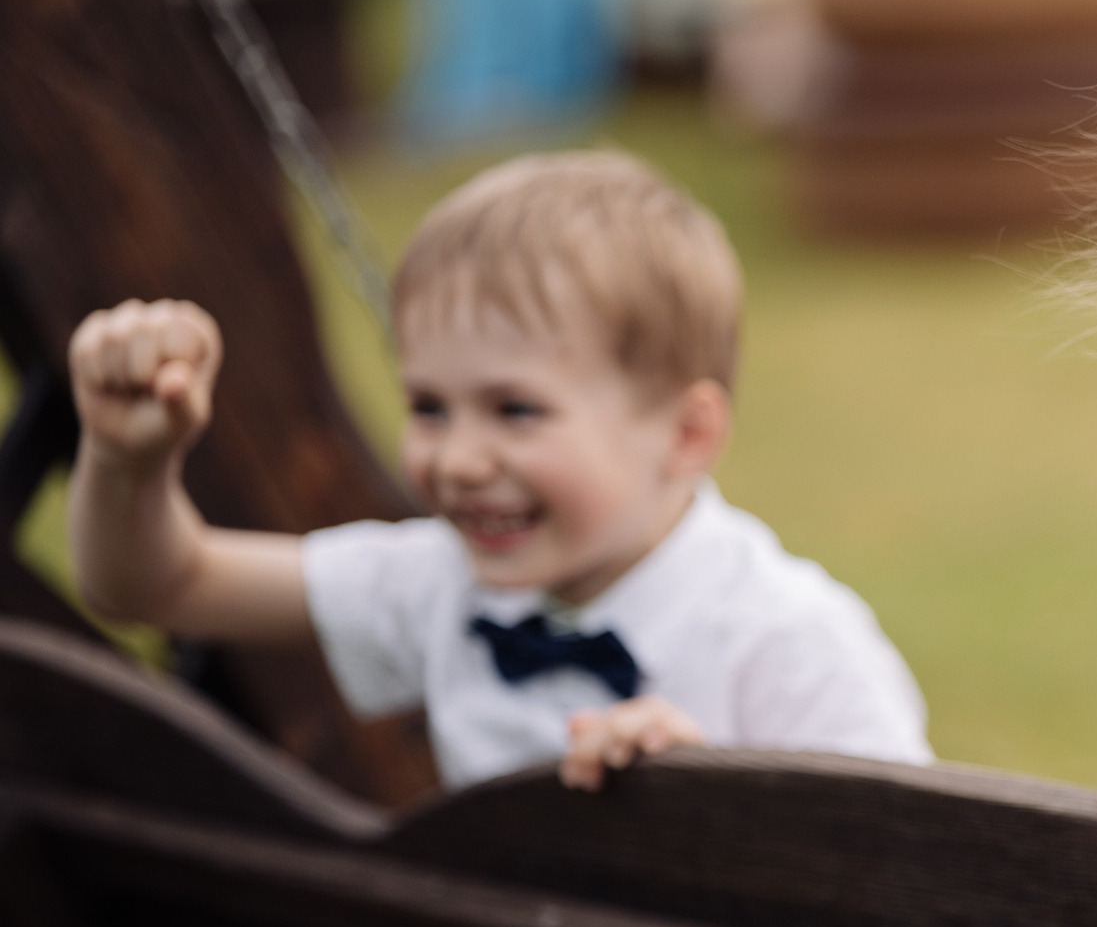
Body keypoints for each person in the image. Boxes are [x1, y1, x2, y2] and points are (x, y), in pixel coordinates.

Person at [65, 150, 931, 791]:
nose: (458, 460)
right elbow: (160, 584)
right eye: (429, 407)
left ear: (686, 434)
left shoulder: (791, 644)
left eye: (516, 410)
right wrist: (128, 461)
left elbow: (916, 881)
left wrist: (714, 802)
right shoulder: (440, 582)